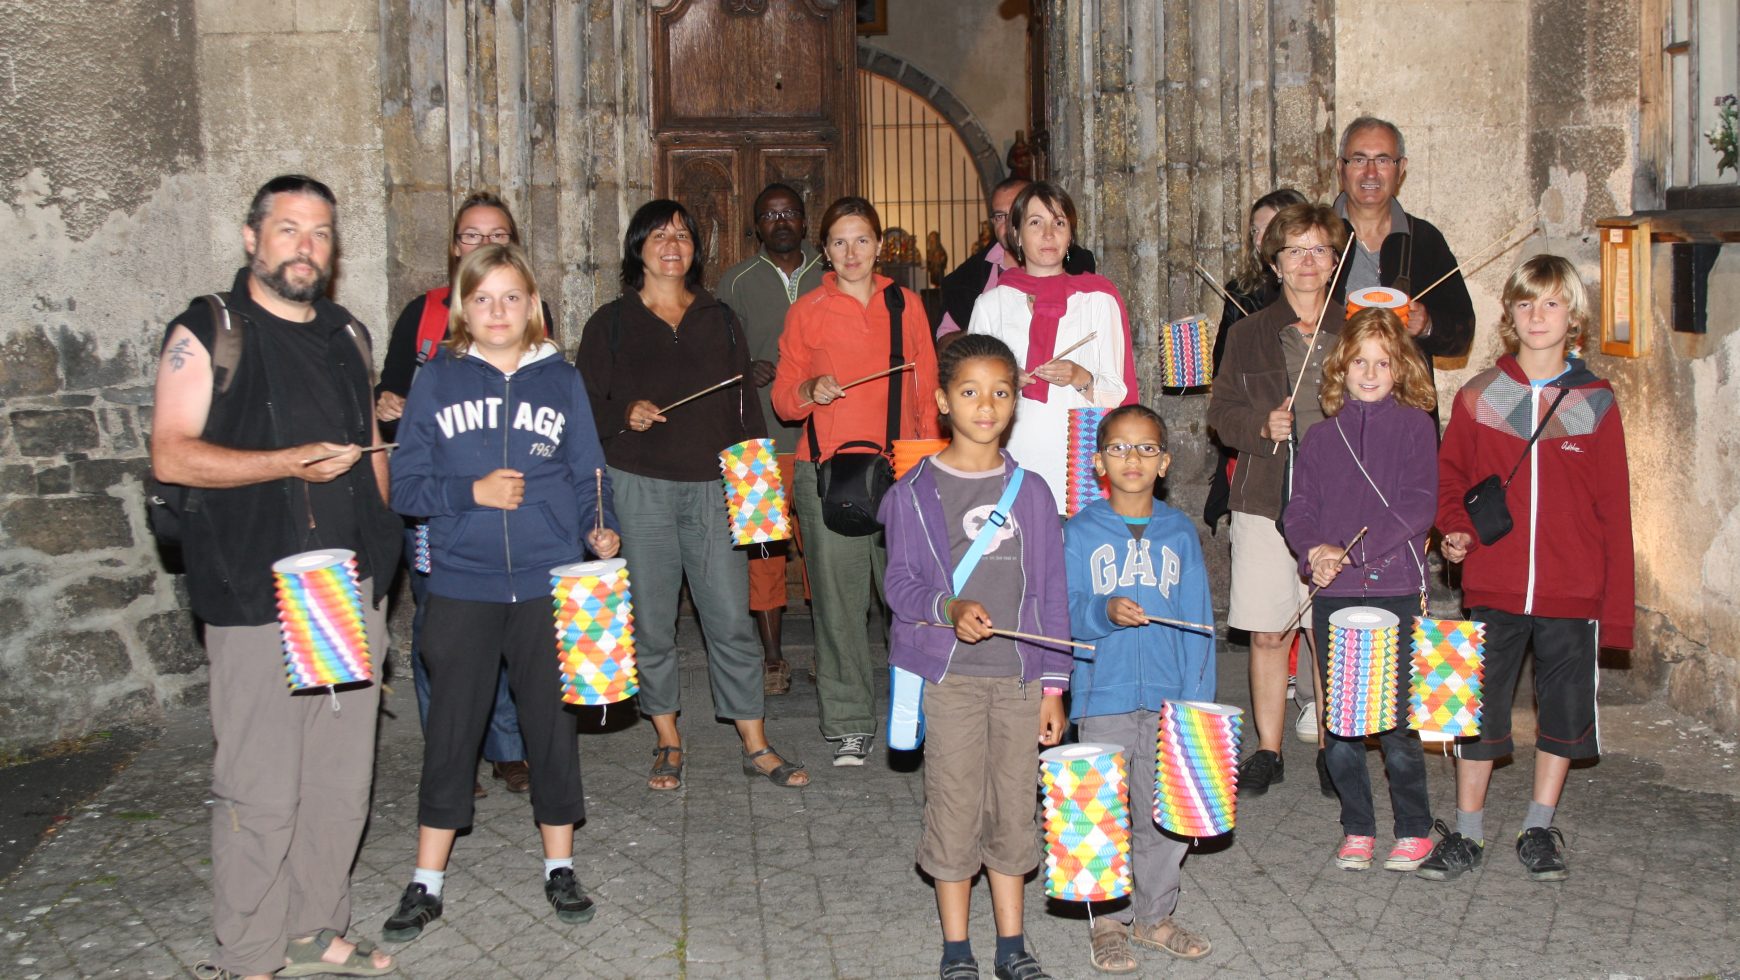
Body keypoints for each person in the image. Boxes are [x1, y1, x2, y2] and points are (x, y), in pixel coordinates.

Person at [151, 175, 399, 979]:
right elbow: (172, 451)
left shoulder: (348, 335)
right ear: (253, 238)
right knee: (260, 790)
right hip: (255, 592)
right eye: (288, 228)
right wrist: (285, 464)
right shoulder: (210, 329)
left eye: (321, 232)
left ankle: (313, 926)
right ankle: (248, 956)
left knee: (338, 782)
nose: (305, 245)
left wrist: (384, 561)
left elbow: (371, 458)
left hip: (343, 588)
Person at [383, 244, 620, 942]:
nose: (497, 311)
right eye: (482, 298)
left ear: (532, 306)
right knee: (453, 729)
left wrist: (599, 528)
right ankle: (426, 881)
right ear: (463, 306)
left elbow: (589, 473)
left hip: (547, 583)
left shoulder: (562, 380)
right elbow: (406, 485)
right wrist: (471, 493)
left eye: (511, 297)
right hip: (462, 581)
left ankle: (560, 866)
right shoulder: (437, 379)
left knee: (551, 729)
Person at [578, 199, 809, 790]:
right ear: (638, 248)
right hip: (639, 487)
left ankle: (754, 742)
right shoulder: (610, 323)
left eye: (682, 233)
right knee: (653, 623)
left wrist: (760, 496)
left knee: (730, 619)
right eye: (658, 234)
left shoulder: (720, 317)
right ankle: (667, 739)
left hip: (714, 487)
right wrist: (622, 413)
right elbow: (582, 409)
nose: (672, 243)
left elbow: (745, 410)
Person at [1423, 255, 1633, 883]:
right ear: (1509, 315)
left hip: (1574, 589)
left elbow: (1614, 511)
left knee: (1562, 713)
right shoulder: (1481, 395)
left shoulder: (1596, 403)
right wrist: (1455, 528)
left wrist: (1616, 616)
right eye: (1525, 304)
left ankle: (1539, 827)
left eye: (1552, 304)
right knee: (1476, 708)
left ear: (1575, 317)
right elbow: (1449, 478)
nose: (1538, 316)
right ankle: (1467, 832)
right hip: (1496, 583)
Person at [878, 333, 1070, 980]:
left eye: (1000, 392)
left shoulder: (1034, 494)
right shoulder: (912, 494)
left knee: (1015, 808)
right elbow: (898, 584)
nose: (985, 405)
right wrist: (948, 608)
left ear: (1014, 403)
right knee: (956, 805)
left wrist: (1053, 685)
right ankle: (956, 947)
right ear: (941, 401)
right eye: (969, 392)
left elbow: (1050, 592)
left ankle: (1012, 945)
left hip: (1018, 681)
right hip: (951, 679)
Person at [375, 190, 543, 797]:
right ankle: (451, 749)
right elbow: (389, 397)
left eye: (495, 234)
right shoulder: (422, 315)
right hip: (437, 501)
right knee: (439, 628)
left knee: (505, 618)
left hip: (507, 498)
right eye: (471, 235)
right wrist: (388, 403)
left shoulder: (524, 316)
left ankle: (506, 747)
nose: (483, 244)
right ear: (454, 246)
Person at [772, 196, 941, 766]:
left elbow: (925, 394)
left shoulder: (906, 305)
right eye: (839, 242)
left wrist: (926, 469)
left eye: (862, 240)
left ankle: (914, 716)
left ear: (878, 245)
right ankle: (848, 723)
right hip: (826, 474)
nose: (851, 253)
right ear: (825, 249)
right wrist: (809, 389)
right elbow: (784, 396)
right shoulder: (808, 311)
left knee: (911, 604)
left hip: (900, 471)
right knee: (840, 608)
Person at [1281, 308, 1438, 872]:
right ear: (1339, 368)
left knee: (1395, 721)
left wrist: (1360, 552)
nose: (1369, 373)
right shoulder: (1321, 437)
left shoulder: (1417, 427)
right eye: (1358, 362)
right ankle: (1358, 826)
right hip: (1334, 593)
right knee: (1342, 720)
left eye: (1382, 362)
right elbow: (1299, 510)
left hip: (1395, 586)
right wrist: (1315, 551)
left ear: (1401, 369)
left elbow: (1420, 504)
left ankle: (1415, 828)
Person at [1205, 202, 1349, 797]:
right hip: (1266, 498)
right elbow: (1220, 414)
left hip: (1339, 504)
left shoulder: (1359, 329)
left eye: (1319, 249)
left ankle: (1332, 748)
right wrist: (1262, 425)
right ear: (1276, 262)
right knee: (1269, 630)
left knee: (1326, 629)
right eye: (1295, 250)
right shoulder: (1247, 333)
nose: (1307, 262)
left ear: (1334, 260)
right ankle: (1267, 747)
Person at [1064, 404, 1215, 973]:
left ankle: (1155, 916)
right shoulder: (1079, 531)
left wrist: (1198, 702)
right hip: (1103, 694)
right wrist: (1103, 610)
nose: (1133, 458)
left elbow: (1199, 620)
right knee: (1101, 809)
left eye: (1146, 448)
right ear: (1100, 461)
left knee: (1164, 811)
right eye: (1120, 449)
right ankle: (1107, 922)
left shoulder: (1179, 532)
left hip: (1170, 698)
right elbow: (1064, 612)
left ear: (1165, 462)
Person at [718, 183, 827, 696]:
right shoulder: (734, 281)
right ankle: (773, 659)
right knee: (764, 552)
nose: (780, 221)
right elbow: (715, 352)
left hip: (825, 438)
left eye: (790, 213)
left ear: (806, 221)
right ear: (755, 225)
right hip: (756, 439)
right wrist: (743, 368)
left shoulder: (832, 274)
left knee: (826, 552)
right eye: (769, 214)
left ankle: (830, 656)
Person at [965, 181, 1138, 504]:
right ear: (1015, 234)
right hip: (1012, 463)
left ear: (1070, 235)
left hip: (1081, 471)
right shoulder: (991, 305)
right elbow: (969, 395)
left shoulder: (1098, 300)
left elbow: (1119, 392)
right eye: (1035, 223)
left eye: (1059, 223)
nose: (1048, 234)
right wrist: (1003, 383)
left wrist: (1079, 377)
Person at [1328, 116, 1475, 364]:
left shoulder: (1424, 240)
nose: (1371, 173)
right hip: (1329, 396)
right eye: (1359, 159)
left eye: (1383, 160)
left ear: (1401, 168)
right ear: (1340, 167)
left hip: (1404, 398)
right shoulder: (1314, 235)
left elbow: (1463, 334)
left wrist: (1428, 325)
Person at [936, 176, 1097, 339]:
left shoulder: (1079, 267)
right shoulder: (965, 279)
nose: (1008, 224)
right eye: (1000, 216)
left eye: (1016, 213)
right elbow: (944, 344)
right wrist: (987, 328)